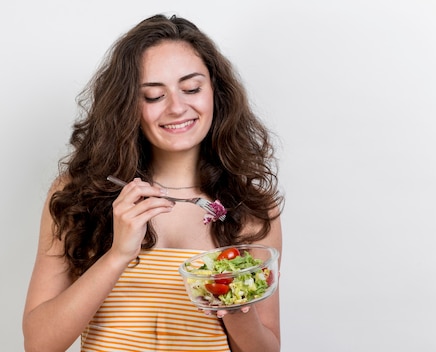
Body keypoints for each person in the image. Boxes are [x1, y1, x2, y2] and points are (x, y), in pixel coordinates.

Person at [22, 14, 283, 352]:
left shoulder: (252, 209)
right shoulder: (75, 195)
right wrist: (118, 255)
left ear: (216, 93)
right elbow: (39, 344)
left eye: (191, 88)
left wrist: (233, 303)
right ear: (128, 105)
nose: (177, 107)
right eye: (153, 96)